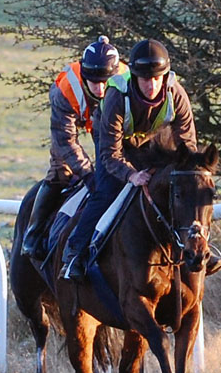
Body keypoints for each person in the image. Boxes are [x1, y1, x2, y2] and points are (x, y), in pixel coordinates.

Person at [60, 39, 197, 281]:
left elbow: (188, 146)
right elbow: (110, 155)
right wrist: (131, 175)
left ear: (166, 76)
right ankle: (75, 252)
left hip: (152, 140)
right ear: (133, 76)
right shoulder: (115, 96)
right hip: (114, 143)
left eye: (156, 78)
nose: (151, 85)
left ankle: (198, 249)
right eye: (145, 78)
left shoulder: (177, 94)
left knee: (185, 189)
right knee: (106, 190)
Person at [21, 35, 123, 260]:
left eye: (105, 81)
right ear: (84, 76)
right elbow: (66, 141)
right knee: (61, 171)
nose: (100, 88)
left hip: (115, 129)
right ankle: (34, 232)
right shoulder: (66, 90)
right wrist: (88, 174)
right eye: (93, 82)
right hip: (71, 123)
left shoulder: (128, 81)